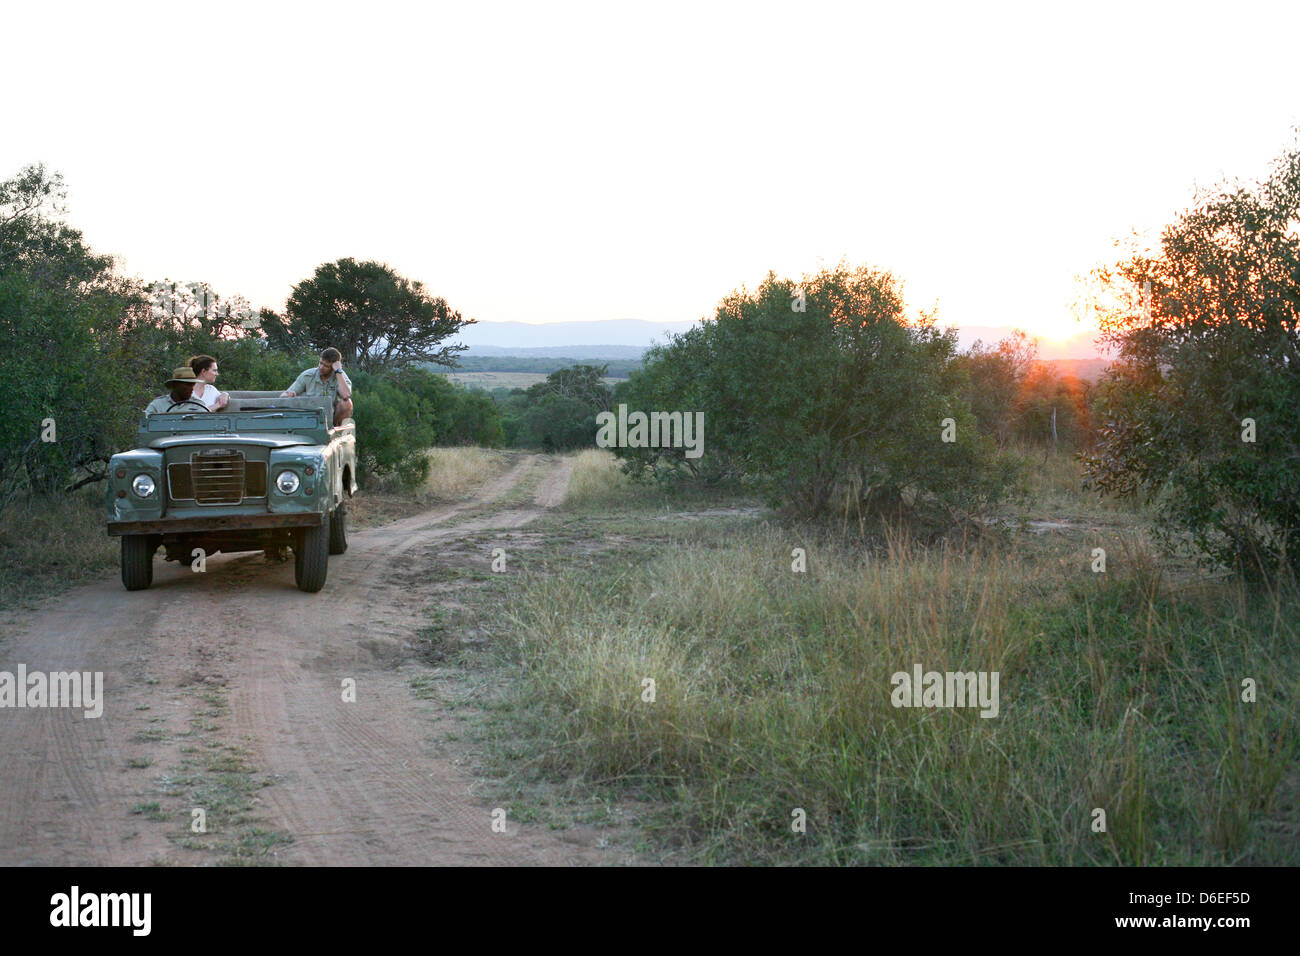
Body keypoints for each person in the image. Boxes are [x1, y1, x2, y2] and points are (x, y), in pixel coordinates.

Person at [282, 348, 354, 426]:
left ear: (333, 368)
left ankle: (336, 431)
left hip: (332, 420)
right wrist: (289, 395)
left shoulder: (340, 376)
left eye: (326, 366)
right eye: (320, 363)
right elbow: (284, 396)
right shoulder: (308, 375)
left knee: (347, 403)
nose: (321, 367)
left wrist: (339, 371)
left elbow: (346, 395)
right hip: (309, 418)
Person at [144, 367, 211, 415]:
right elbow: (146, 426)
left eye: (192, 385)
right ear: (175, 385)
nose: (191, 388)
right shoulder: (158, 405)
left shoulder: (199, 406)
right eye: (187, 384)